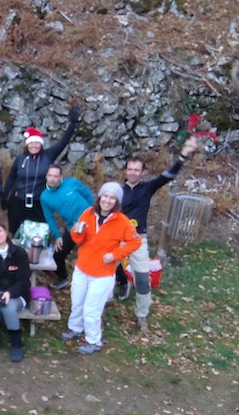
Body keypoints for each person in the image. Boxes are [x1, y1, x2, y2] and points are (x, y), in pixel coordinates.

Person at [115, 136, 199, 332]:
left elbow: (168, 175)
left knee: (142, 279)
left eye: (137, 170)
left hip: (138, 239)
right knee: (103, 273)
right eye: (130, 169)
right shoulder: (117, 190)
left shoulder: (147, 188)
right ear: (125, 171)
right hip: (116, 238)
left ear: (142, 172)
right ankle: (101, 305)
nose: (133, 172)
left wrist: (183, 156)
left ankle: (142, 315)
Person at [61, 182, 142, 355]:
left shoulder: (122, 221)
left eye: (112, 198)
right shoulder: (88, 213)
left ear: (117, 202)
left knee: (91, 310)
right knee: (77, 302)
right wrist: (76, 231)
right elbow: (78, 239)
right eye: (105, 196)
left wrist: (115, 255)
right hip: (82, 267)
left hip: (102, 274)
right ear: (99, 197)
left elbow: (135, 241)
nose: (107, 200)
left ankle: (94, 340)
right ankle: (75, 328)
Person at [2, 105, 82, 235]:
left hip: (38, 202)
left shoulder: (48, 155)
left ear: (41, 144)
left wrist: (72, 125)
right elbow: (12, 176)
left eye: (37, 143)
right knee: (16, 233)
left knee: (38, 233)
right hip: (18, 201)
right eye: (31, 143)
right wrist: (5, 195)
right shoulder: (20, 159)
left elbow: (63, 142)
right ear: (27, 144)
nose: (34, 146)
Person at [0, 221, 31, 363]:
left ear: (5, 232)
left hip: (18, 294)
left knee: (8, 307)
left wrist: (10, 293)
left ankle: (16, 344)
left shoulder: (19, 253)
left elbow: (23, 280)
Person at [39, 163, 94, 290]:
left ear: (61, 177)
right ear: (46, 176)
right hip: (72, 228)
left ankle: (121, 279)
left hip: (90, 222)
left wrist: (93, 212)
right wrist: (58, 236)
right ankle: (62, 278)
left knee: (98, 250)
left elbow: (87, 194)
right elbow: (50, 217)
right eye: (50, 176)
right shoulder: (45, 196)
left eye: (55, 176)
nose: (52, 179)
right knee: (58, 254)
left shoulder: (72, 183)